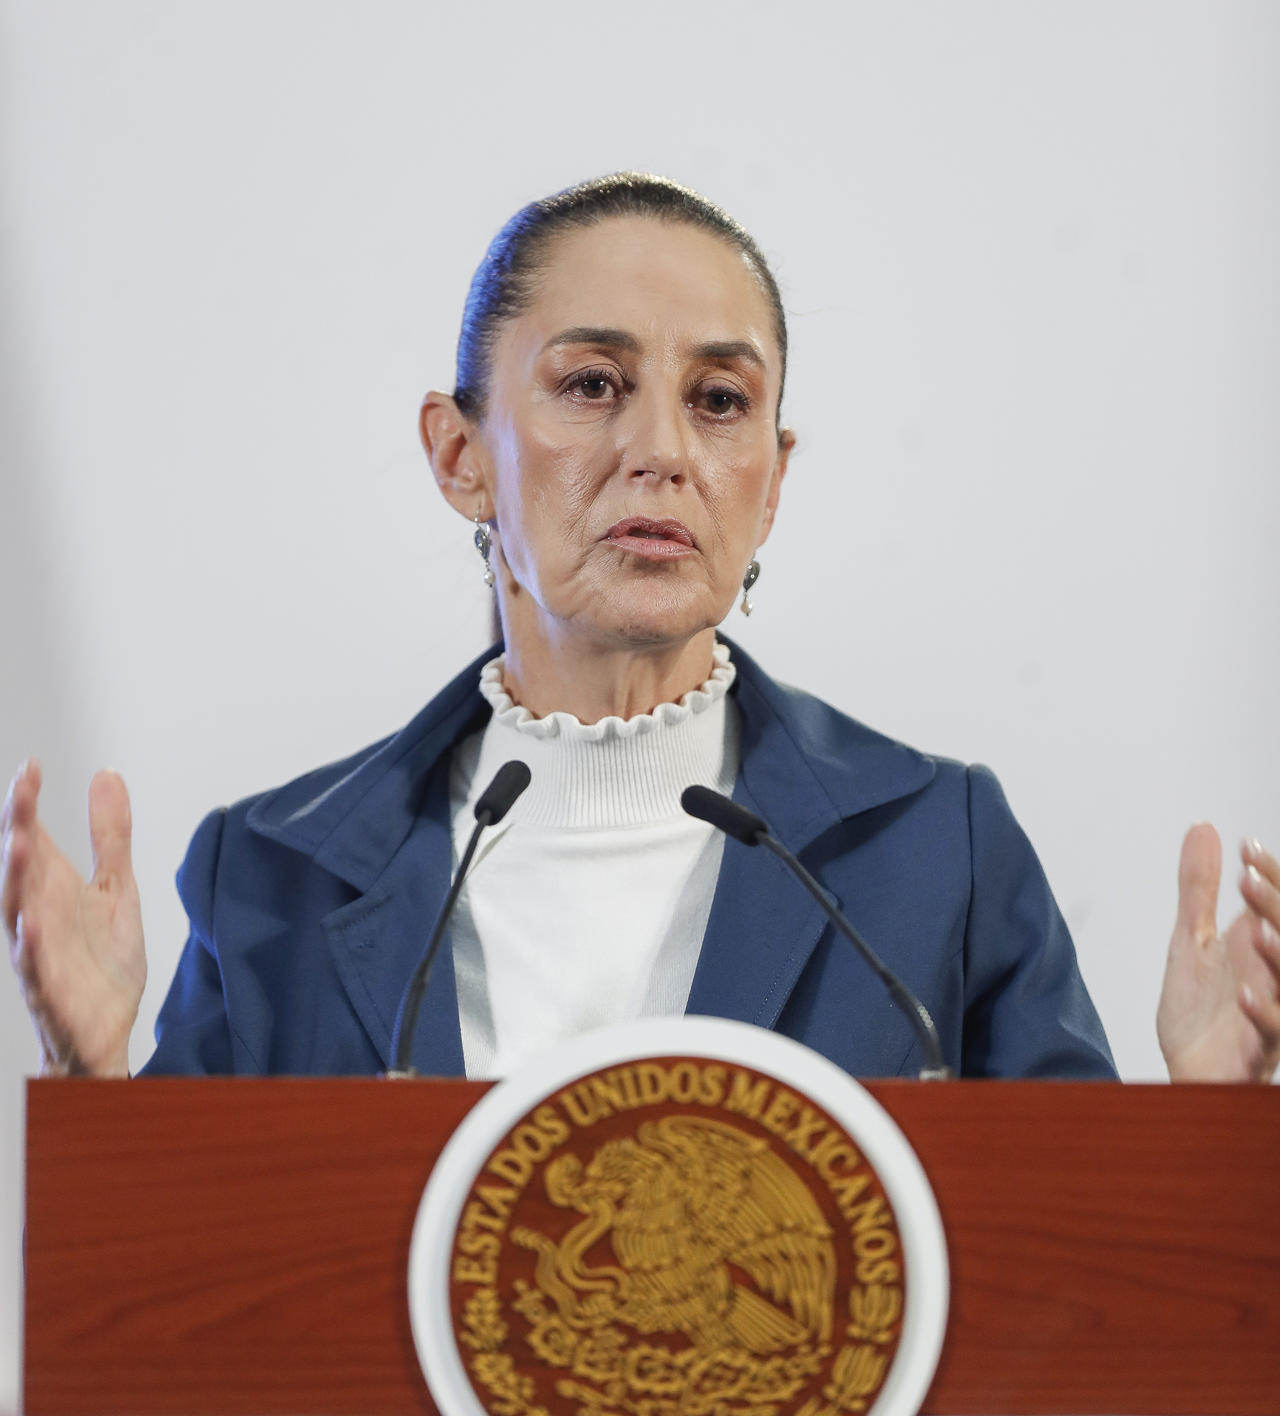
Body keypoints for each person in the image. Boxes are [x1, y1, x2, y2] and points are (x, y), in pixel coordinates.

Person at [3, 174, 1279, 1083]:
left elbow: (1070, 1303)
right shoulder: (271, 877)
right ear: (459, 457)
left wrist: (1212, 1126)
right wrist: (89, 1078)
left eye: (718, 400)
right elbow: (176, 1333)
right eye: (592, 385)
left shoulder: (935, 855)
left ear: (771, 481)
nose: (660, 451)